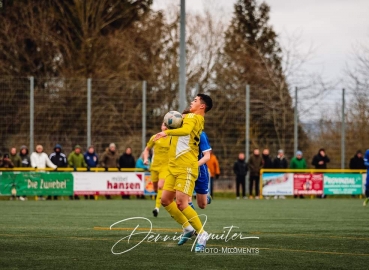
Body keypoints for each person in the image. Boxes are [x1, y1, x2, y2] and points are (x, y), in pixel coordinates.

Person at [153, 94, 213, 252]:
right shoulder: (188, 116)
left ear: (202, 106)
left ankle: (202, 234)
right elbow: (181, 122)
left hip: (186, 166)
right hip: (174, 166)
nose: (192, 102)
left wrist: (167, 132)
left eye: (195, 100)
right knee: (166, 200)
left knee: (182, 203)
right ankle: (187, 228)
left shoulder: (195, 118)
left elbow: (186, 130)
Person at [143, 122, 170, 217]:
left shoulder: (173, 138)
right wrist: (146, 159)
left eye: (167, 125)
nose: (165, 127)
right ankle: (168, 196)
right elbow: (147, 149)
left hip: (165, 167)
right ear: (161, 126)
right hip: (154, 166)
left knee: (160, 186)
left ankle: (157, 208)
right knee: (155, 188)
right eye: (164, 125)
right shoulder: (155, 137)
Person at [189, 130, 212, 210]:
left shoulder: (200, 134)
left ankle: (206, 198)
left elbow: (207, 156)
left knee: (202, 205)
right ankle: (191, 219)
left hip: (199, 170)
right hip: (184, 169)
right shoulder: (178, 133)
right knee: (185, 200)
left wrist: (194, 165)